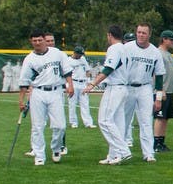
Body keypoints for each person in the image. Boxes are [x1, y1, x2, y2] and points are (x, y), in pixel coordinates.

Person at [17, 29, 73, 165]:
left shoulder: (57, 53)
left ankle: (56, 148)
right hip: (38, 92)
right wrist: (21, 101)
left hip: (56, 91)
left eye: (40, 40)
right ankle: (39, 155)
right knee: (37, 126)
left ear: (44, 40)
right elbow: (24, 82)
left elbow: (67, 71)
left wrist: (70, 85)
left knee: (60, 126)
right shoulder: (29, 59)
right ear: (31, 42)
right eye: (34, 40)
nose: (37, 42)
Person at [86, 25, 131, 165]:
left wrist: (92, 84)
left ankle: (123, 151)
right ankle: (113, 155)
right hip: (123, 88)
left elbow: (109, 68)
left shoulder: (114, 48)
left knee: (104, 120)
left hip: (115, 87)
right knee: (117, 123)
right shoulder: (125, 48)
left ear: (110, 35)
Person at [123, 23, 166, 162]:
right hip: (128, 87)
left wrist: (158, 98)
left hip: (145, 87)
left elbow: (159, 76)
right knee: (124, 119)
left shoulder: (155, 52)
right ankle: (122, 150)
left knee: (146, 121)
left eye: (144, 33)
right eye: (139, 32)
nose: (141, 35)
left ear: (149, 35)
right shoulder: (127, 48)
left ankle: (148, 153)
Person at [66, 45, 95, 129]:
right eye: (79, 54)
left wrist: (88, 82)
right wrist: (68, 85)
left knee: (85, 103)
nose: (81, 55)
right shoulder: (68, 61)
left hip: (82, 83)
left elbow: (87, 70)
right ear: (75, 53)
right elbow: (67, 74)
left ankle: (88, 123)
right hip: (73, 82)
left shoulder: (82, 59)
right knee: (72, 104)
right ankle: (73, 122)